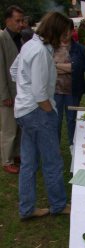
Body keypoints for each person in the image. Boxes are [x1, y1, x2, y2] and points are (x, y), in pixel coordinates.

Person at [10, 12, 71, 219]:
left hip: (24, 111)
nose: (66, 37)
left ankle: (27, 209)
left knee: (28, 163)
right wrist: (50, 113)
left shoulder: (30, 45)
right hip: (36, 112)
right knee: (52, 160)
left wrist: (24, 86)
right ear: (54, 31)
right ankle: (58, 205)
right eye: (64, 33)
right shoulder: (40, 51)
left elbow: (14, 71)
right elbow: (39, 94)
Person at [54, 21, 85, 147]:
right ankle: (55, 147)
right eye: (62, 30)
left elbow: (77, 68)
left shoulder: (80, 49)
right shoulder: (51, 48)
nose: (65, 34)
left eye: (68, 30)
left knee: (72, 119)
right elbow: (45, 67)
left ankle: (73, 146)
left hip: (73, 91)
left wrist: (55, 66)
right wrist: (66, 67)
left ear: (73, 31)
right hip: (54, 91)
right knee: (56, 120)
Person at [0, 5, 24, 174]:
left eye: (22, 20)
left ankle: (16, 154)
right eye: (18, 20)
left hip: (19, 91)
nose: (21, 24)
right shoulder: (2, 37)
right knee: (8, 128)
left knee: (18, 126)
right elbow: (0, 69)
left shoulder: (19, 37)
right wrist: (4, 95)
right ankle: (6, 159)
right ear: (7, 20)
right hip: (7, 92)